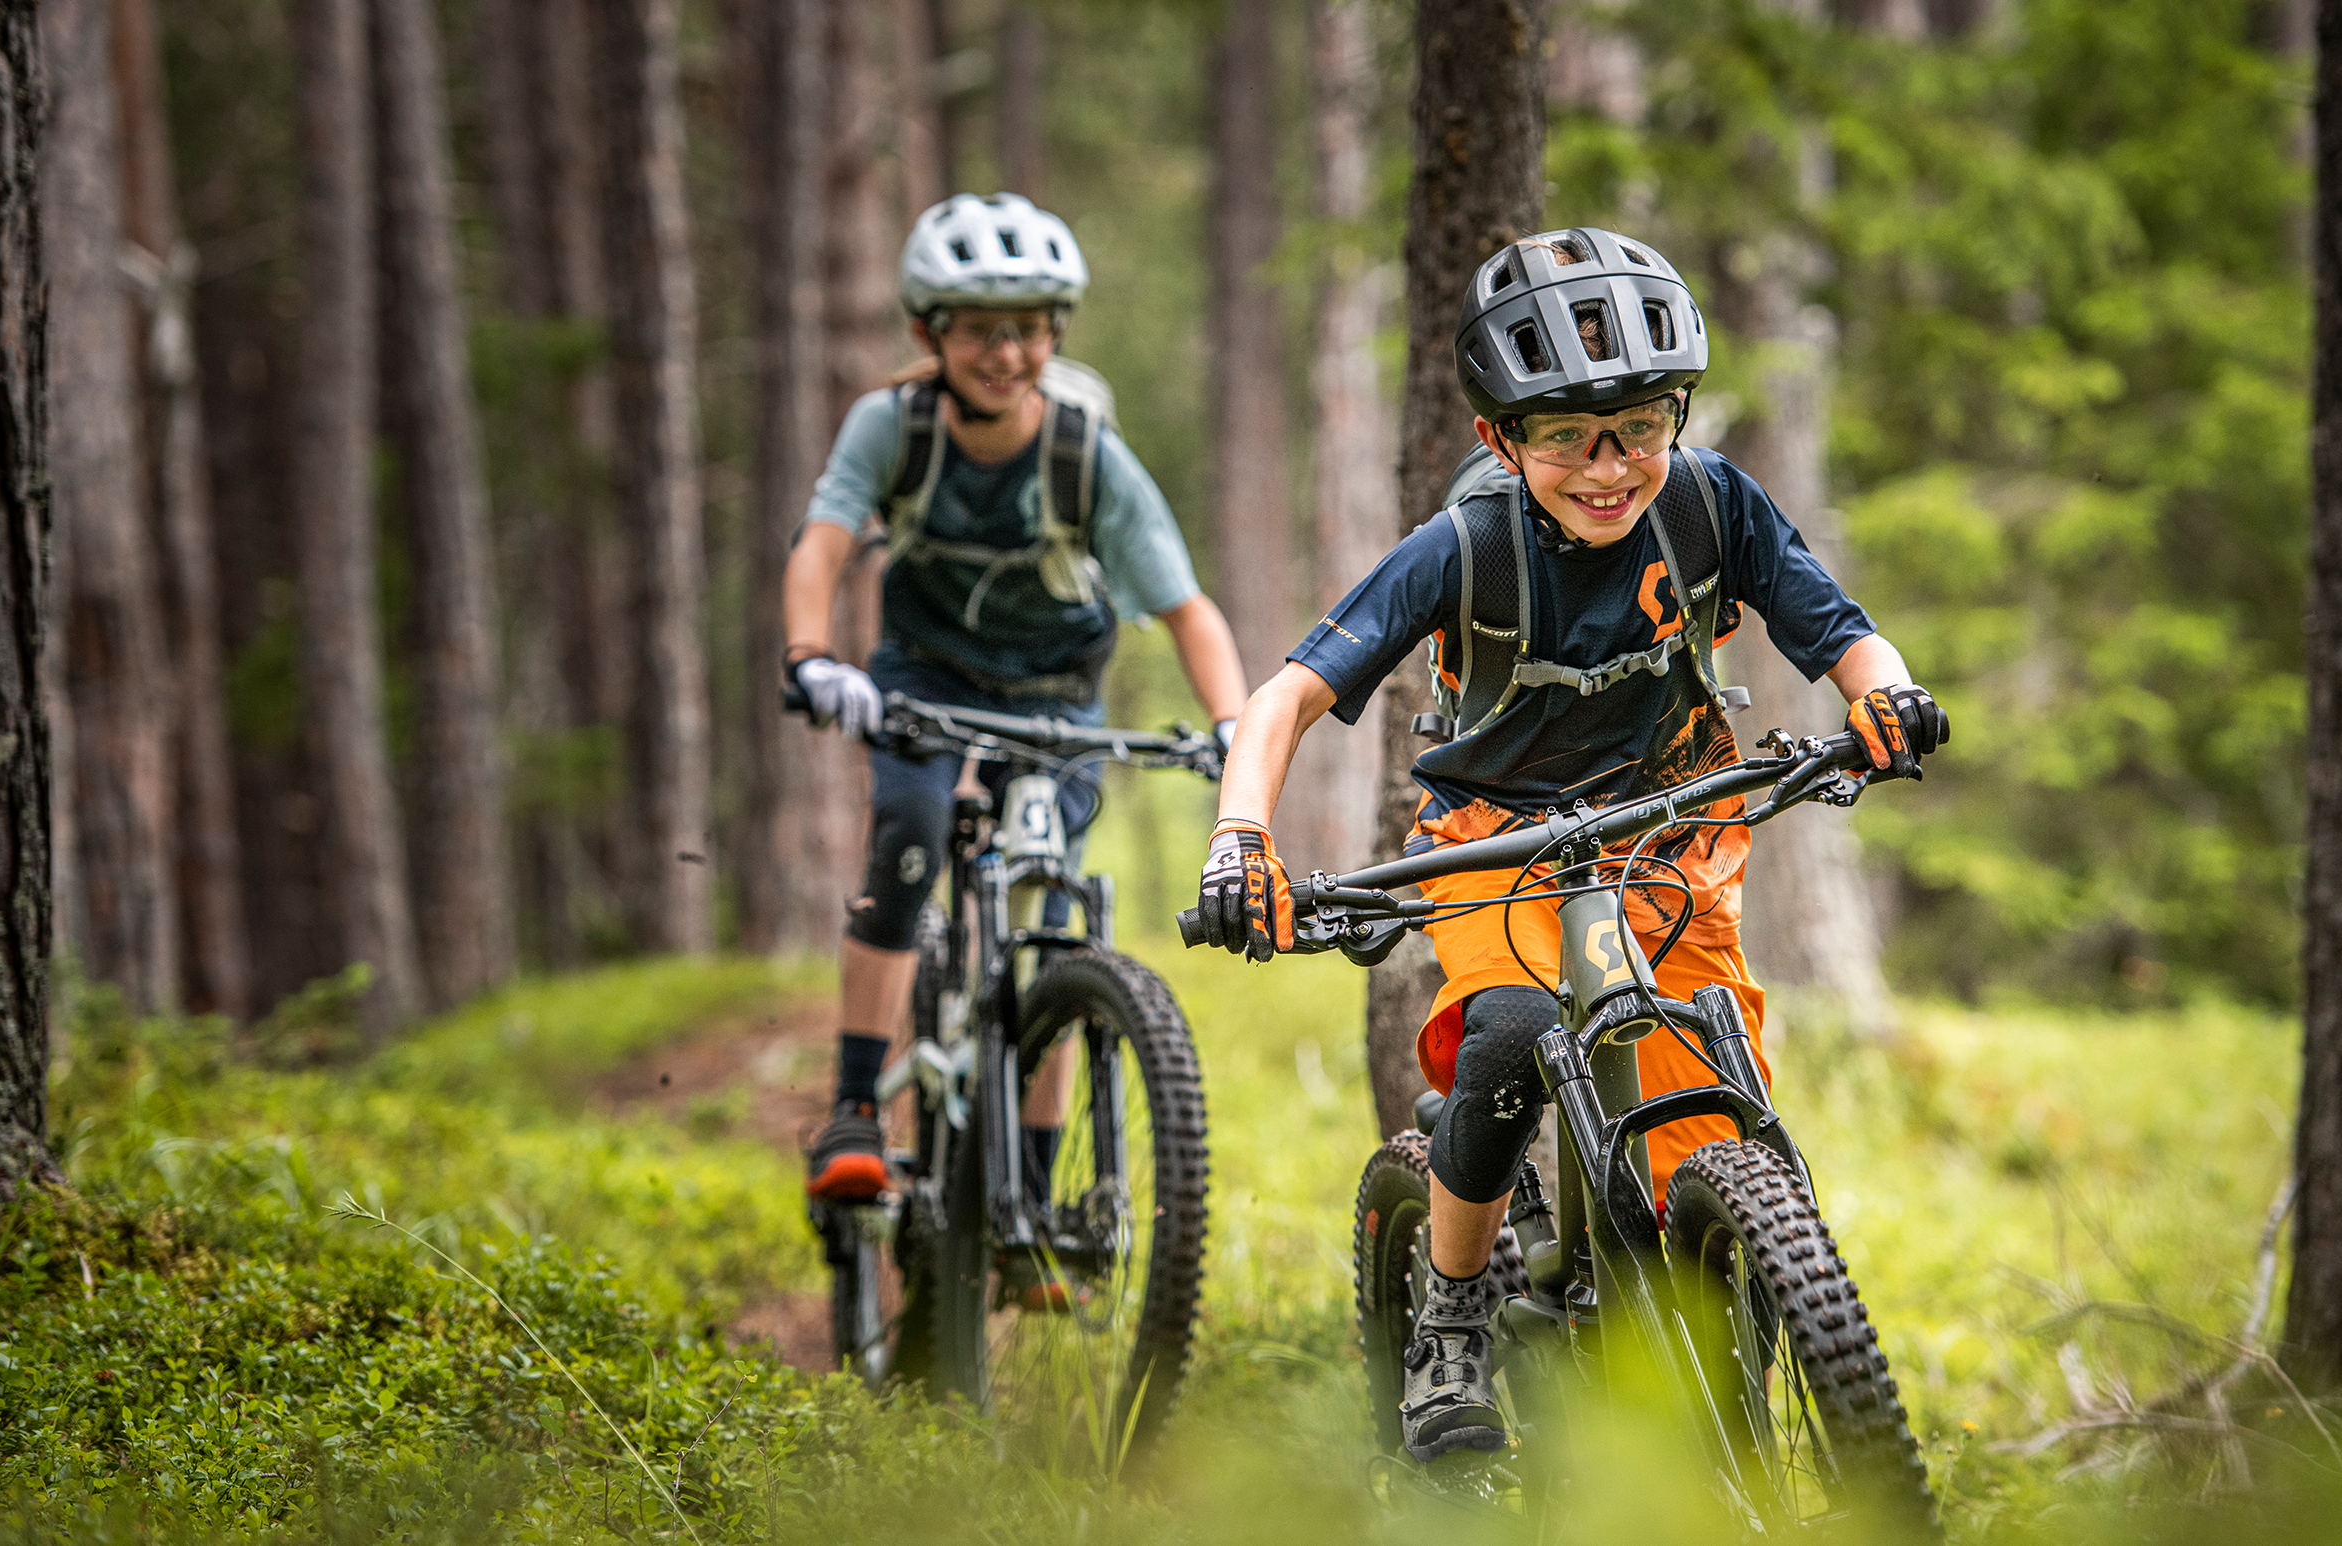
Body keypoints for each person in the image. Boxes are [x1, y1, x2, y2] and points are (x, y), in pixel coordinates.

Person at [1190, 228, 1943, 1462]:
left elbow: (1840, 633)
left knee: (1712, 1108)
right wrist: (1238, 841)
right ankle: (1451, 1311)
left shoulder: (1709, 503)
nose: (1610, 468)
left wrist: (1886, 699)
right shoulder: (1464, 548)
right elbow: (1282, 701)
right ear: (1501, 439)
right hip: (1492, 845)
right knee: (1504, 1032)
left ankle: (1723, 1352)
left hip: (1671, 829)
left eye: (1640, 427)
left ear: (1676, 416)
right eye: (1565, 438)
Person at [786, 192, 1247, 1227]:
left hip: (1052, 698)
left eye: (1030, 328)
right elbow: (821, 543)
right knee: (908, 837)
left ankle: (1032, 1195)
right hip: (925, 680)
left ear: (1054, 333)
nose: (1007, 352)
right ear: (927, 333)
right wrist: (815, 659)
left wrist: (1231, 727)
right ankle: (857, 1106)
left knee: (1052, 920)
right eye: (981, 328)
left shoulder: (1086, 454)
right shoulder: (891, 426)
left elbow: (1187, 607)